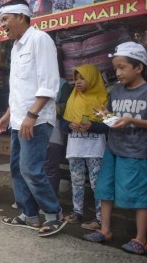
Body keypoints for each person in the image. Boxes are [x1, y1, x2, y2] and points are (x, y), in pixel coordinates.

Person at [0, 0, 66, 237]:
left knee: (31, 169)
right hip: (19, 119)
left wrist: (32, 115)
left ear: (22, 17)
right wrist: (7, 114)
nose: (2, 24)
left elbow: (49, 84)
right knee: (16, 168)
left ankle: (54, 214)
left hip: (35, 120)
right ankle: (30, 215)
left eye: (6, 19)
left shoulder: (40, 40)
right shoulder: (16, 47)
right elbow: (19, 88)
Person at [83, 42, 147, 255]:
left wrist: (132, 121)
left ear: (138, 67)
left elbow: (129, 120)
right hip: (113, 148)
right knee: (105, 190)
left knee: (140, 196)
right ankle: (105, 230)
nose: (117, 73)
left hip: (136, 151)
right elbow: (113, 118)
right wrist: (104, 117)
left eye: (122, 67)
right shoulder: (116, 91)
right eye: (115, 68)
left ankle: (141, 239)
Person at [61, 64, 109, 230]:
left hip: (95, 149)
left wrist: (92, 126)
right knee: (77, 181)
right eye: (76, 78)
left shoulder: (102, 99)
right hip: (75, 147)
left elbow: (109, 125)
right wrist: (69, 126)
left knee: (97, 184)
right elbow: (63, 123)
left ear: (93, 79)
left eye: (82, 78)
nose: (78, 82)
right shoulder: (72, 98)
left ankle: (100, 218)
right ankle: (77, 212)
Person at [44, 77, 72, 196]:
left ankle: (49, 202)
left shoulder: (62, 84)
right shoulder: (33, 80)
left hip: (53, 129)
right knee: (35, 167)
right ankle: (36, 201)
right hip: (34, 129)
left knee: (50, 167)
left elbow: (68, 105)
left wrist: (55, 109)